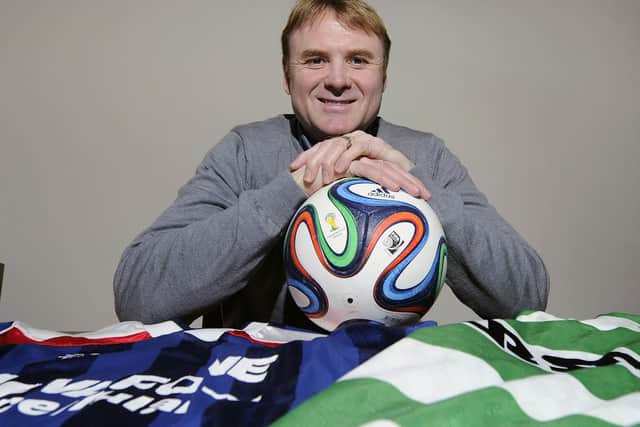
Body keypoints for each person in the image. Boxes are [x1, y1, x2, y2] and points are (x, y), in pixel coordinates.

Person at [114, 0, 549, 330]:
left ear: (384, 76)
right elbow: (139, 298)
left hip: (379, 390)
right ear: (287, 77)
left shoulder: (424, 155)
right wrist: (291, 190)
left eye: (358, 60)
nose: (338, 80)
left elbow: (526, 299)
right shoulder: (245, 150)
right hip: (257, 391)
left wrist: (414, 185)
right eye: (315, 59)